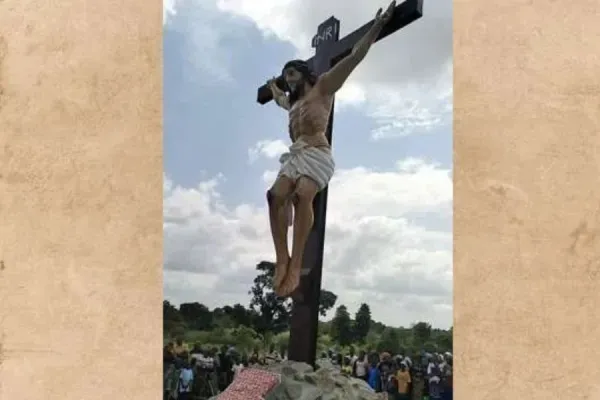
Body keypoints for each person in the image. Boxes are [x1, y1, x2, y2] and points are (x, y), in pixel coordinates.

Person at [265, 0, 397, 298]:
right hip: (295, 157)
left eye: (292, 71)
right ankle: (282, 258)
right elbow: (279, 99)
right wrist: (273, 89)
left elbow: (354, 57)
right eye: (285, 75)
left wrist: (378, 25)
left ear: (304, 71)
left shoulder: (323, 87)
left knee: (302, 195)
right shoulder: (294, 102)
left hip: (318, 155)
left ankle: (296, 264)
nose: (288, 76)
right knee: (275, 197)